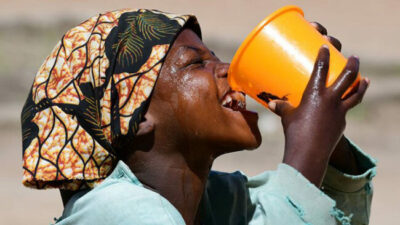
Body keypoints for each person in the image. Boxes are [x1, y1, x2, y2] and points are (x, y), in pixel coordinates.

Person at [21, 9, 376, 225]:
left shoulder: (213, 203)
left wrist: (323, 122)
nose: (226, 70)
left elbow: (326, 216)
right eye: (196, 63)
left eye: (215, 57)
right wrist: (306, 150)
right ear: (138, 115)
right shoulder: (116, 212)